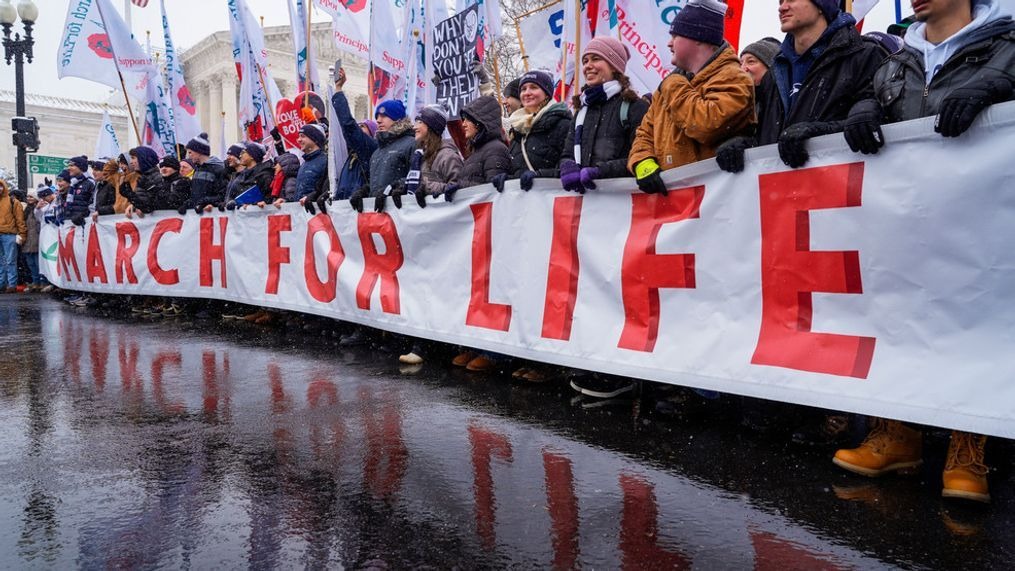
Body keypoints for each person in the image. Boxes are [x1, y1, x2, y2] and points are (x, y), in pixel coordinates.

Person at [834, 0, 1015, 504]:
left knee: (973, 322)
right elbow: (873, 102)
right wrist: (864, 110)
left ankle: (967, 445)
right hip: (906, 222)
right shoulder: (898, 58)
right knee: (897, 316)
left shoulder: (1008, 43)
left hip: (984, 223)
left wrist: (1000, 88)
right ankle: (898, 433)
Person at [715, 0, 886, 172]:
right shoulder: (774, 74)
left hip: (839, 188)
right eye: (781, 2)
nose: (782, 7)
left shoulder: (863, 55)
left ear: (821, 6)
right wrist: (744, 145)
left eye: (792, 0)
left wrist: (820, 134)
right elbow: (770, 138)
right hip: (784, 191)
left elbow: (883, 126)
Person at [628, 0, 755, 194]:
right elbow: (645, 134)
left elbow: (706, 124)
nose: (669, 43)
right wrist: (643, 162)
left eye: (676, 36)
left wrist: (674, 84)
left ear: (698, 38)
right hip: (677, 207)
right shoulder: (668, 87)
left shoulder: (735, 78)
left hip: (717, 204)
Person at [559, 36, 650, 195]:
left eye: (595, 59)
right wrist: (567, 166)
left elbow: (641, 157)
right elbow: (567, 154)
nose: (588, 66)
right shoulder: (581, 112)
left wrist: (601, 172)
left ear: (614, 66)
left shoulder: (635, 107)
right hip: (588, 206)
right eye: (585, 61)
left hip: (624, 203)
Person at [493, 70, 572, 192]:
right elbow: (519, 170)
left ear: (547, 93)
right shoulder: (518, 129)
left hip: (552, 203)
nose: (527, 93)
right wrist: (508, 179)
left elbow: (570, 168)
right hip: (526, 206)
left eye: (534, 87)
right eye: (523, 89)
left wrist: (540, 176)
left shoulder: (563, 124)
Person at [348, 99, 416, 213]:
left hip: (403, 212)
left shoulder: (411, 144)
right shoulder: (377, 152)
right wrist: (364, 191)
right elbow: (377, 183)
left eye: (384, 116)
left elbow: (418, 176)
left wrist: (396, 187)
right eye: (377, 116)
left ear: (398, 119)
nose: (378, 120)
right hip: (381, 215)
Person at [332, 67, 379, 200]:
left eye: (362, 127)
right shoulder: (351, 156)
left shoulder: (369, 148)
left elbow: (349, 126)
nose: (358, 128)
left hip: (359, 211)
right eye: (358, 125)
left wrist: (339, 90)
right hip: (346, 211)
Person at [454, 94, 512, 194]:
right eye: (463, 119)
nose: (463, 124)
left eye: (468, 119)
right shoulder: (476, 150)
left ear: (479, 122)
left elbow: (492, 192)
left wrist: (460, 187)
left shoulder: (496, 150)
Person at [183, 133, 227, 214]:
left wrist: (206, 202)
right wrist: (188, 204)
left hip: (212, 214)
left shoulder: (218, 169)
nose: (189, 156)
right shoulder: (197, 169)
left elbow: (222, 195)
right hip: (198, 214)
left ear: (199, 152)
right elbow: (196, 193)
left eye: (190, 152)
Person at [294, 123, 331, 214]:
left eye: (302, 136)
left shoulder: (326, 161)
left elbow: (327, 189)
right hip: (302, 216)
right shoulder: (303, 164)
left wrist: (312, 197)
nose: (299, 140)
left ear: (314, 139)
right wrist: (286, 201)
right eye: (298, 137)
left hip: (318, 215)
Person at [119, 146, 164, 217]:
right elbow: (142, 202)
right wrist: (133, 206)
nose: (131, 162)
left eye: (133, 158)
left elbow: (148, 206)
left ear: (143, 159)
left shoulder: (155, 178)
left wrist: (129, 193)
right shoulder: (143, 178)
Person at [227, 142, 274, 209]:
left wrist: (253, 205)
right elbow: (231, 197)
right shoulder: (239, 177)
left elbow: (269, 199)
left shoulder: (264, 175)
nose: (240, 156)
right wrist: (232, 203)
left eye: (243, 153)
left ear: (252, 156)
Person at [0, 180, 27, 293]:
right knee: (1, 261)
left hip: (9, 234)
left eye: (1, 186)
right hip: (6, 234)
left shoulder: (13, 201)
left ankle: (11, 284)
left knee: (10, 261)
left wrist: (22, 234)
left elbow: (20, 220)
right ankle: (2, 283)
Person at [20, 189, 44, 292]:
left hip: (37, 238)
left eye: (31, 197)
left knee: (39, 263)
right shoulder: (26, 210)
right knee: (31, 263)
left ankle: (43, 282)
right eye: (28, 197)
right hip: (28, 239)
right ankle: (35, 282)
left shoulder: (40, 208)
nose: (29, 198)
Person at [63, 155, 96, 227]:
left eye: (72, 165)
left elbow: (93, 205)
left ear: (80, 167)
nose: (69, 168)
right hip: (71, 223)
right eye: (68, 166)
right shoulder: (73, 183)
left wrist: (82, 216)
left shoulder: (90, 183)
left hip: (84, 224)